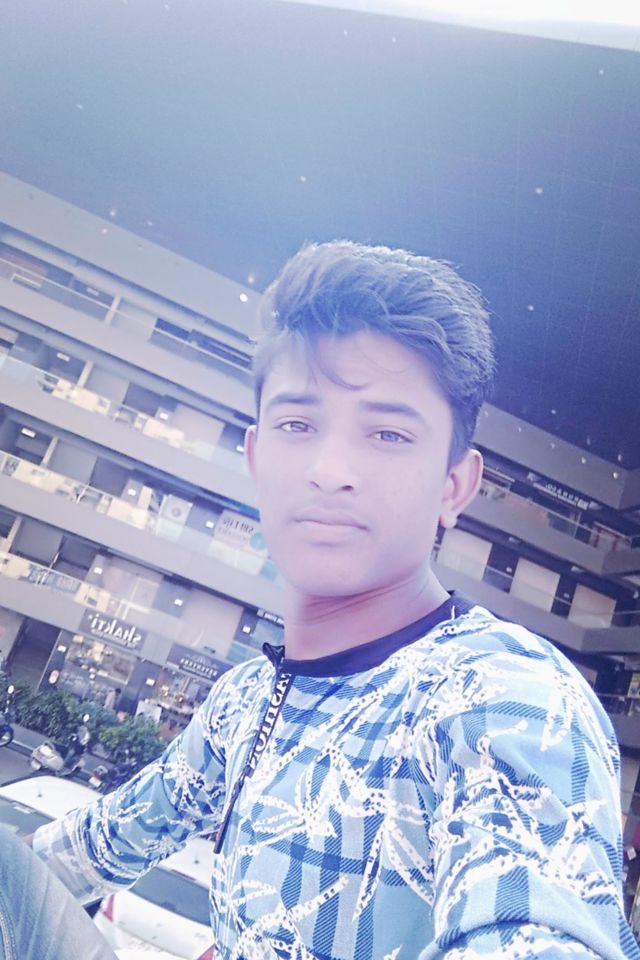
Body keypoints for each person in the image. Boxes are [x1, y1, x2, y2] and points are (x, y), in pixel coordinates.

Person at [25, 241, 640, 959]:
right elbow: (93, 846)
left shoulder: (505, 699)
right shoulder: (243, 703)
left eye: (388, 433)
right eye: (297, 424)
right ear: (256, 456)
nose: (329, 470)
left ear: (455, 486)